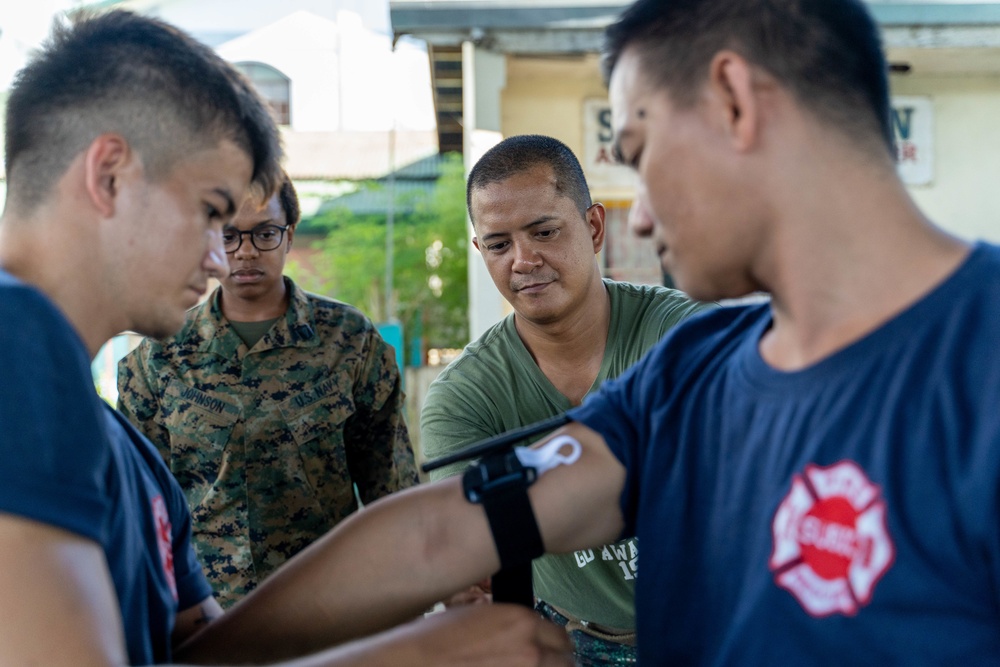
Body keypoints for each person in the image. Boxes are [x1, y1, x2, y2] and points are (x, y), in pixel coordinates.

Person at [177, 0, 1000, 663]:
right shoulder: (694, 372)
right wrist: (203, 657)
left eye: (639, 152)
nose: (640, 212)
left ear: (733, 102)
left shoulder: (979, 357)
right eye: (497, 242)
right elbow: (444, 531)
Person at [0, 9, 571, 666]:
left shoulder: (116, 443)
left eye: (251, 230)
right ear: (110, 176)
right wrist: (413, 656)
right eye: (212, 212)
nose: (223, 258)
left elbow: (205, 648)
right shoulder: (20, 347)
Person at [421, 134, 705, 664]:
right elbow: (464, 549)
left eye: (544, 232)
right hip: (572, 642)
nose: (524, 260)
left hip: (715, 628)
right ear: (481, 252)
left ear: (593, 227)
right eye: (499, 244)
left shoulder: (681, 335)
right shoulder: (464, 398)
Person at [117, 173, 418, 608]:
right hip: (204, 613)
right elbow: (143, 507)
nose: (246, 251)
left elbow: (391, 486)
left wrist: (409, 600)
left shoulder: (349, 340)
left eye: (265, 233)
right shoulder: (160, 356)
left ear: (290, 236)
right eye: (229, 235)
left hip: (327, 606)